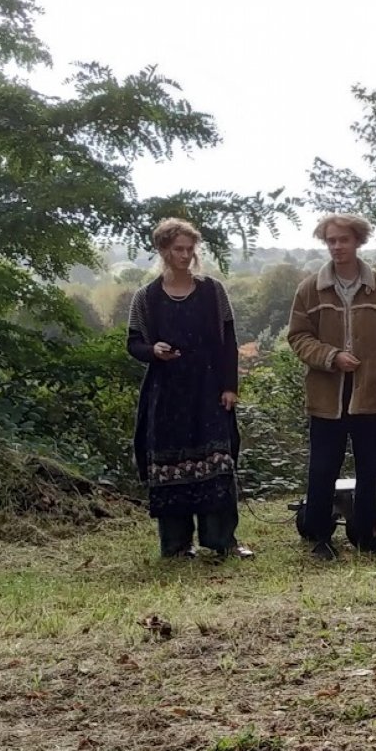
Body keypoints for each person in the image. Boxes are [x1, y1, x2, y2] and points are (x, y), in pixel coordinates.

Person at [126, 217, 252, 560]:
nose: (184, 255)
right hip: (165, 395)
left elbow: (229, 342)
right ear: (163, 250)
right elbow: (134, 343)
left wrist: (230, 386)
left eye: (189, 249)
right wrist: (153, 351)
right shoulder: (146, 298)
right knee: (169, 470)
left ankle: (221, 540)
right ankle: (176, 545)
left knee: (218, 464)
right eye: (177, 249)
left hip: (209, 390)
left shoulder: (213, 291)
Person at [287, 212, 376, 559]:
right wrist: (330, 357)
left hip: (369, 393)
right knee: (322, 468)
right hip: (327, 394)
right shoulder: (309, 288)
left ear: (358, 241)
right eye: (331, 240)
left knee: (369, 468)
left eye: (343, 239)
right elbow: (298, 337)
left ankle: (368, 538)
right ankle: (319, 539)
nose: (337, 246)